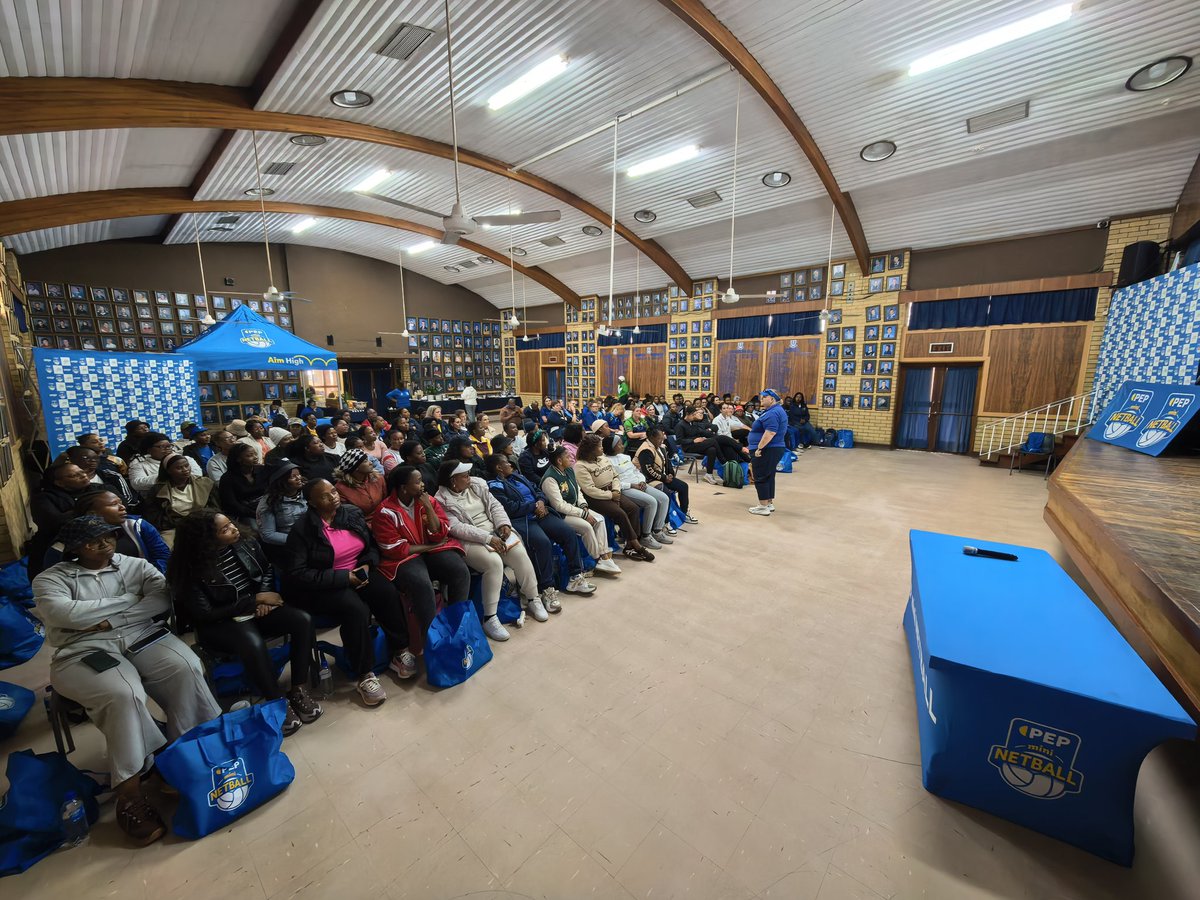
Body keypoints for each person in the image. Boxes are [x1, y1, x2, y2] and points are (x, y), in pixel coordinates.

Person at [34, 515, 220, 846]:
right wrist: (130, 601)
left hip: (142, 634)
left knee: (186, 667)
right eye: (92, 541)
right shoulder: (50, 579)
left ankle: (187, 755)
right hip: (83, 648)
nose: (104, 544)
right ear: (75, 548)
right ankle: (130, 792)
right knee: (123, 693)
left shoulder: (135, 565)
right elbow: (65, 615)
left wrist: (103, 619)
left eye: (108, 536)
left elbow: (160, 599)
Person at [168, 511, 321, 735]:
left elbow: (266, 570)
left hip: (254, 608)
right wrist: (253, 601)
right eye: (225, 529)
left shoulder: (245, 543)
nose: (234, 529)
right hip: (221, 621)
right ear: (206, 539)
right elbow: (205, 613)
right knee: (253, 642)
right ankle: (275, 700)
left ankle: (298, 688)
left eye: (231, 523)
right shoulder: (190, 567)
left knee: (302, 621)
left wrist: (263, 598)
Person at [283, 479, 411, 706]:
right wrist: (344, 578)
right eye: (324, 496)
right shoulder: (302, 530)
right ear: (311, 502)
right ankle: (365, 674)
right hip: (326, 584)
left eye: (333, 491)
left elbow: (371, 546)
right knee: (356, 610)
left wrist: (367, 565)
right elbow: (298, 573)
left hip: (359, 571)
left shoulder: (351, 514)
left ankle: (400, 651)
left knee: (386, 592)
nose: (333, 497)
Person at [371, 465, 474, 660]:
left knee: (459, 571)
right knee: (421, 584)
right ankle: (434, 641)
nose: (423, 485)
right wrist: (428, 547)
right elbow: (396, 549)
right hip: (405, 558)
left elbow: (439, 533)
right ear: (403, 488)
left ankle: (457, 626)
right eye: (418, 482)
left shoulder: (428, 501)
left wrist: (427, 506)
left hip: (430, 550)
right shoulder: (385, 511)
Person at [435, 460, 546, 624]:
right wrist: (487, 538)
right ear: (453, 481)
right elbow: (457, 528)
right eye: (464, 476)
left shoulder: (478, 485)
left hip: (495, 531)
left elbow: (495, 506)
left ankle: (533, 598)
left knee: (519, 554)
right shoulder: (441, 500)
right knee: (493, 563)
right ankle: (490, 617)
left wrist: (503, 524)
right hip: (470, 540)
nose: (469, 477)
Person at [486, 451, 596, 599]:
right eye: (506, 462)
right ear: (499, 468)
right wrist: (534, 506)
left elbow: (537, 490)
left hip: (541, 513)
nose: (510, 464)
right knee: (542, 543)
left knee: (568, 533)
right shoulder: (494, 486)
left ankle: (575, 577)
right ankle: (546, 588)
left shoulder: (517, 476)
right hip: (523, 520)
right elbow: (509, 507)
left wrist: (541, 502)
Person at [42, 487, 171, 572]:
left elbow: (162, 555)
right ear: (92, 513)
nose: (122, 507)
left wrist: (151, 578)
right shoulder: (67, 540)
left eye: (120, 502)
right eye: (114, 504)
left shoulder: (137, 525)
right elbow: (54, 572)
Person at [573, 434, 655, 562]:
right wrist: (611, 495)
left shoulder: (603, 458)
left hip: (613, 490)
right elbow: (590, 490)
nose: (602, 448)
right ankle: (637, 545)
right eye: (599, 446)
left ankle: (629, 546)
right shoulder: (580, 466)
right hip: (595, 498)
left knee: (633, 508)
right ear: (591, 449)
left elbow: (615, 476)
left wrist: (616, 491)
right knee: (620, 513)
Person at [540, 446, 621, 575]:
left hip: (575, 508)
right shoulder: (550, 479)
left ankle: (604, 556)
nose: (571, 458)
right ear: (559, 461)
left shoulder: (569, 470)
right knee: (586, 527)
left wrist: (583, 505)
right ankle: (596, 559)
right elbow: (559, 506)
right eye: (567, 456)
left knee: (599, 519)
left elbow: (577, 490)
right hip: (560, 515)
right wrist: (583, 514)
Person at [29, 460, 103, 575]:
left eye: (82, 472)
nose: (83, 475)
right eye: (74, 475)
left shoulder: (99, 489)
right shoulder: (44, 498)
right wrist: (84, 510)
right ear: (60, 483)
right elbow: (53, 523)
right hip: (56, 546)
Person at [603, 434, 672, 548]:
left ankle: (657, 531)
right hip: (626, 488)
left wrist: (642, 481)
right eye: (619, 444)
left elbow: (636, 471)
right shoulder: (606, 462)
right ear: (612, 447)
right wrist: (632, 485)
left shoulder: (625, 457)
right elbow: (613, 483)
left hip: (639, 484)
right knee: (651, 502)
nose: (622, 445)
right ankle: (646, 536)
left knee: (664, 498)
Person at [145, 452, 219, 535]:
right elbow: (155, 517)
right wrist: (182, 524)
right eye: (179, 468)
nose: (185, 469)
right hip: (174, 527)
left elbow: (215, 507)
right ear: (168, 471)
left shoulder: (205, 483)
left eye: (187, 465)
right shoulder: (158, 490)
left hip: (203, 523)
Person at [637, 426, 698, 525]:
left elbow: (667, 463)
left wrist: (670, 474)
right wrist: (664, 478)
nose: (662, 440)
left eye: (662, 438)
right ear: (652, 438)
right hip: (647, 479)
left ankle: (683, 514)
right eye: (659, 438)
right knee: (666, 494)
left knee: (683, 486)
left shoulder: (660, 447)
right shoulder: (645, 450)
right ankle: (665, 523)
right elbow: (648, 471)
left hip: (661, 477)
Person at [675, 406, 745, 485]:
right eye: (693, 414)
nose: (695, 416)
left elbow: (701, 432)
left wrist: (707, 435)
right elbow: (679, 440)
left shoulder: (693, 423)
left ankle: (709, 474)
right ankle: (723, 462)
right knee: (713, 441)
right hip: (688, 447)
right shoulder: (680, 425)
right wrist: (693, 440)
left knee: (712, 450)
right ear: (687, 414)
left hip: (697, 444)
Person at [62, 444, 141, 512]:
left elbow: (128, 498)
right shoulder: (66, 480)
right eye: (86, 458)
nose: (93, 460)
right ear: (72, 460)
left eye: (95, 458)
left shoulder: (112, 476)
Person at [747, 389, 788, 515]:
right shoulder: (775, 410)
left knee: (761, 475)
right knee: (769, 475)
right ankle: (768, 503)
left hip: (768, 448)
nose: (761, 399)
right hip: (773, 448)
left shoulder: (773, 413)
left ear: (772, 399)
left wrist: (759, 448)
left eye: (764, 397)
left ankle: (763, 506)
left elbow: (770, 432)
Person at [256, 461, 307, 563]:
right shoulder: (269, 502)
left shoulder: (307, 491)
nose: (299, 478)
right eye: (293, 477)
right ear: (281, 481)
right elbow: (268, 534)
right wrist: (298, 540)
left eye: (299, 474)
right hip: (289, 547)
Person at [129, 432, 200, 496]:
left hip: (191, 495)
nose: (168, 449)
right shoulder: (139, 466)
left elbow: (197, 475)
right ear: (149, 450)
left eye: (169, 446)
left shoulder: (186, 459)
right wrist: (167, 476)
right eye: (162, 446)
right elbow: (137, 484)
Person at [218, 443, 268, 527]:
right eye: (250, 455)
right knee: (256, 529)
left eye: (255, 454)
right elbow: (232, 504)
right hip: (245, 512)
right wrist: (254, 513)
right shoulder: (227, 478)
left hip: (265, 506)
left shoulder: (261, 469)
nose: (255, 457)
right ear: (238, 459)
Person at [333, 448, 386, 516]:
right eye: (365, 461)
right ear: (355, 467)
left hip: (383, 517)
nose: (370, 463)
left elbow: (385, 501)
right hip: (360, 520)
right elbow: (346, 514)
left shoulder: (378, 478)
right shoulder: (340, 489)